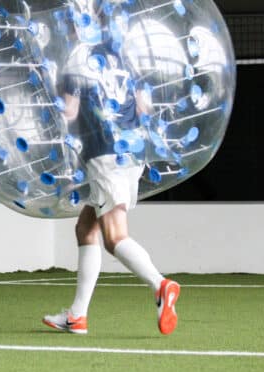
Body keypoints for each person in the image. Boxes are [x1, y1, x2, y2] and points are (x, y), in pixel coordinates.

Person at [42, 32, 180, 335]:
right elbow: (144, 107)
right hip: (131, 153)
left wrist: (48, 96)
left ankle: (160, 285)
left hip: (103, 155)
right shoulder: (122, 56)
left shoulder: (76, 58)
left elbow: (70, 111)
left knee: (114, 237)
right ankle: (77, 315)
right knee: (86, 228)